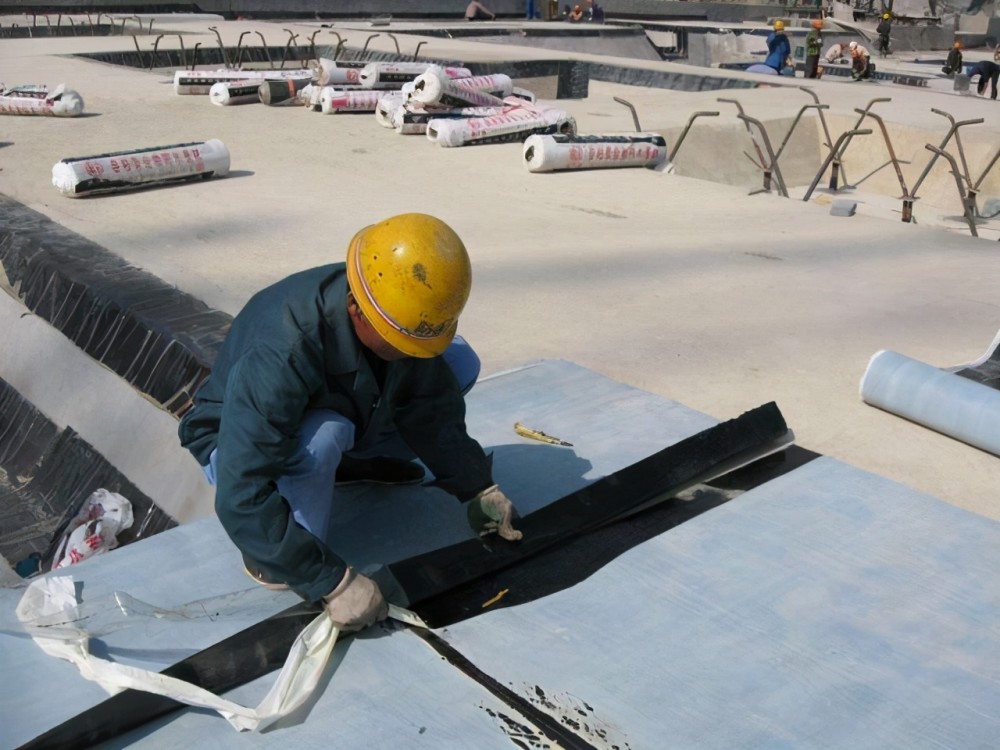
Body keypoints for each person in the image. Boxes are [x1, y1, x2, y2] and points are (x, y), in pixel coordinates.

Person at [178, 213, 525, 633]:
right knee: (323, 439)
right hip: (233, 443)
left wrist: (476, 485)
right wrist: (331, 581)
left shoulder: (392, 311)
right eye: (401, 342)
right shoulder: (282, 348)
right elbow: (241, 489)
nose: (408, 352)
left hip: (334, 399)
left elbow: (430, 406)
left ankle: (347, 468)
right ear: (355, 310)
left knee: (457, 363)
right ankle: (272, 556)